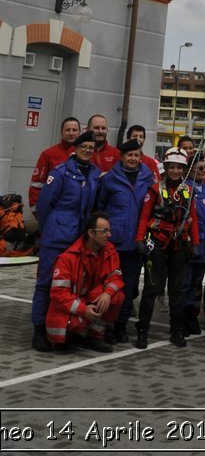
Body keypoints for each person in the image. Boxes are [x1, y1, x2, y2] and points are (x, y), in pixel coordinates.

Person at [31, 130, 100, 352]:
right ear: (75, 149)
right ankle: (39, 330)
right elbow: (43, 206)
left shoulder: (95, 174)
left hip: (78, 239)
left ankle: (65, 331)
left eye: (91, 147)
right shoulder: (60, 173)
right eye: (84, 147)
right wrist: (49, 228)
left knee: (72, 287)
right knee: (45, 283)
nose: (88, 150)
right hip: (56, 237)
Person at [134, 148, 199, 348]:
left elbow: (192, 218)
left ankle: (176, 330)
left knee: (177, 290)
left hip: (179, 245)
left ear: (184, 169)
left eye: (179, 168)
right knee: (152, 288)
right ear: (166, 167)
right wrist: (139, 240)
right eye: (172, 167)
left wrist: (195, 242)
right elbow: (144, 216)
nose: (175, 171)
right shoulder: (155, 189)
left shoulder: (188, 191)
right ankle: (142, 330)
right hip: (158, 244)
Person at [94, 138, 155, 342]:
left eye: (136, 155)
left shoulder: (148, 178)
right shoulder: (110, 179)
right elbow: (100, 207)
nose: (133, 158)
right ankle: (106, 325)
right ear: (121, 157)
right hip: (115, 241)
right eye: (129, 155)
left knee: (129, 286)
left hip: (135, 242)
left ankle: (121, 324)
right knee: (110, 283)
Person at [45, 212, 124, 353]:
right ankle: (66, 338)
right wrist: (83, 309)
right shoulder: (67, 258)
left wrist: (107, 293)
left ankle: (94, 337)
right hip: (73, 304)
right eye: (104, 231)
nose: (109, 235)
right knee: (74, 323)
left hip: (88, 300)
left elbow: (116, 277)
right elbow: (59, 294)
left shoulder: (109, 251)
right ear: (91, 233)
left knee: (116, 297)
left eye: (109, 230)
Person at [183, 156, 205, 335]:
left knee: (196, 283)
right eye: (200, 167)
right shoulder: (186, 189)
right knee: (186, 282)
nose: (204, 170)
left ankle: (190, 315)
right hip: (191, 245)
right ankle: (182, 315)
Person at [29, 117, 81, 212]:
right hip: (53, 211)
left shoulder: (85, 154)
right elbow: (37, 185)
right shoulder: (48, 154)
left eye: (75, 130)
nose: (71, 133)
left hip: (77, 212)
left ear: (79, 132)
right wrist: (36, 210)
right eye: (67, 130)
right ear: (61, 132)